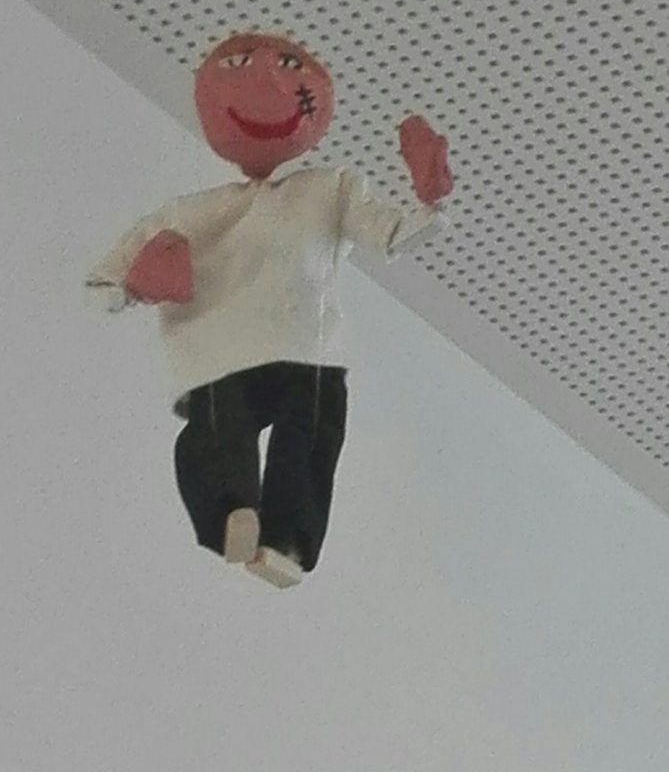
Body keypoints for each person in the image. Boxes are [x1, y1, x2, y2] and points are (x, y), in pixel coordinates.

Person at [86, 31, 453, 587]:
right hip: (286, 345)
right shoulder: (254, 202)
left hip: (242, 349)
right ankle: (270, 531)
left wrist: (429, 201)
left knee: (234, 429)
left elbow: (393, 232)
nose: (267, 82)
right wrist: (133, 282)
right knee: (293, 433)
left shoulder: (320, 190)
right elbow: (111, 280)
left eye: (286, 67)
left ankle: (246, 519)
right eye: (240, 67)